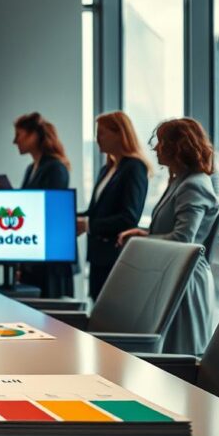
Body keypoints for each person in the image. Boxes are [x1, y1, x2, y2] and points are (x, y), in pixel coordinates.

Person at [117, 118, 219, 356]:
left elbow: (184, 240)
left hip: (185, 282)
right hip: (174, 275)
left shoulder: (193, 185)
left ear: (178, 146)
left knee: (178, 355)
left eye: (160, 142)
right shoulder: (180, 182)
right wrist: (146, 234)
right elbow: (176, 231)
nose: (155, 148)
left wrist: (140, 242)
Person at [76, 111, 151, 300]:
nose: (96, 139)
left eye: (101, 133)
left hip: (115, 257)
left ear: (120, 134)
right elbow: (95, 212)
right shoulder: (107, 169)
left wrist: (88, 225)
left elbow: (129, 217)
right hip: (98, 257)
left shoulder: (134, 168)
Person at [12, 112, 74, 298]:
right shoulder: (31, 168)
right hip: (34, 252)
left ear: (34, 135)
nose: (15, 141)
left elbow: (49, 210)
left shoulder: (55, 168)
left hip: (50, 257)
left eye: (19, 135)